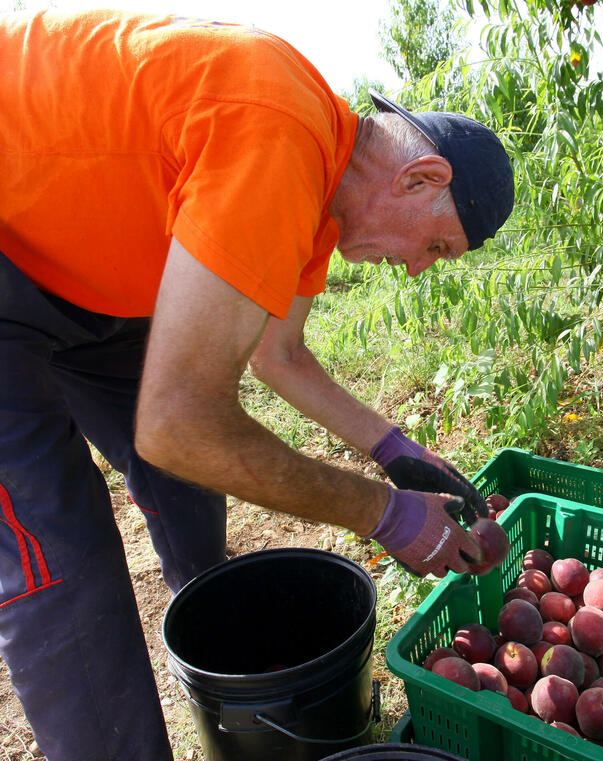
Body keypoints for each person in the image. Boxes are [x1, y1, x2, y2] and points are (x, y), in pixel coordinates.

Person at [0, 8, 514, 761]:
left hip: (90, 278)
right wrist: (382, 512)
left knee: (185, 492)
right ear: (420, 176)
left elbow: (281, 355)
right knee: (61, 552)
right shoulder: (279, 129)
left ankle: (229, 678)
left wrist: (392, 448)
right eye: (435, 244)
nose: (416, 267)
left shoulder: (318, 193)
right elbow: (179, 422)